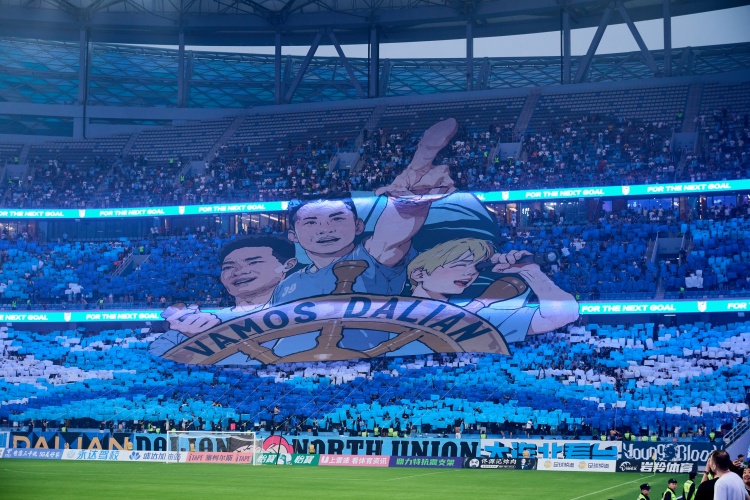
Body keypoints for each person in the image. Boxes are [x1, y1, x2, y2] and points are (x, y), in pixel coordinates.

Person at [149, 235, 297, 363]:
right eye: (228, 267)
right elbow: (156, 353)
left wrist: (210, 340)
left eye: (253, 262)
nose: (238, 272)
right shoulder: (202, 323)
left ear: (288, 265)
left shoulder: (300, 316)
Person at [407, 238, 579, 343]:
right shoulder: (395, 309)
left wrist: (532, 272)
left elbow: (565, 315)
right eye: (460, 265)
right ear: (419, 274)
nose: (470, 273)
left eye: (477, 267)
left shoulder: (483, 315)